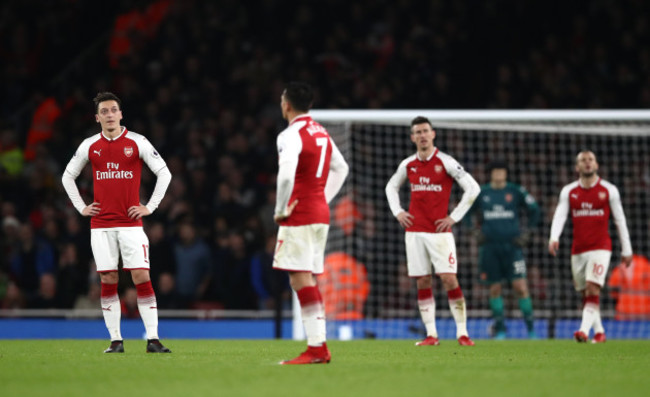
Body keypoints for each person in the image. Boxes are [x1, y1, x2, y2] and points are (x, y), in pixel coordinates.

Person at [61, 92, 173, 353]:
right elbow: (68, 176)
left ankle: (153, 340)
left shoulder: (137, 142)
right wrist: (81, 207)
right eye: (104, 111)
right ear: (97, 117)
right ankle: (115, 341)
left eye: (113, 110)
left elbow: (164, 173)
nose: (109, 115)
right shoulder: (90, 145)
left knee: (141, 275)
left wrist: (149, 207)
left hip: (131, 223)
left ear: (121, 114)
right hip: (101, 225)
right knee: (108, 279)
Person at [386, 116, 480, 346]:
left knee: (449, 279)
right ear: (412, 137)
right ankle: (431, 335)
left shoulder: (446, 162)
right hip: (415, 232)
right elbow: (391, 186)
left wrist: (453, 217)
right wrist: (398, 211)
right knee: (422, 282)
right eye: (417, 132)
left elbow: (473, 188)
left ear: (433, 134)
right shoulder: (408, 164)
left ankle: (462, 333)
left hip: (440, 233)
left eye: (425, 131)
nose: (422, 135)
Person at [273, 82, 349, 364]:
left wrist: (280, 209)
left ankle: (317, 348)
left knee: (300, 277)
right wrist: (323, 198)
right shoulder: (321, 131)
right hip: (319, 211)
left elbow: (285, 176)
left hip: (300, 212)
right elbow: (342, 168)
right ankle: (317, 346)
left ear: (287, 105)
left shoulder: (290, 135)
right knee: (305, 276)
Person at [549, 150, 633, 343]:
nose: (587, 163)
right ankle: (600, 332)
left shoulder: (609, 190)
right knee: (586, 293)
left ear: (596, 165)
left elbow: (620, 220)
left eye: (591, 160)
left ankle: (583, 331)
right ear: (577, 167)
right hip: (578, 250)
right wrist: (554, 237)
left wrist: (626, 249)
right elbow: (560, 215)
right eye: (583, 161)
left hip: (601, 248)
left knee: (592, 287)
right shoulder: (569, 191)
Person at [465, 161, 541, 339]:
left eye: (502, 172)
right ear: (491, 174)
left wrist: (528, 232)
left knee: (521, 287)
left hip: (513, 248)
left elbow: (534, 210)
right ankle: (500, 330)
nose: (499, 175)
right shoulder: (482, 193)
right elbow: (466, 212)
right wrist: (474, 232)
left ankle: (531, 331)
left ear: (506, 174)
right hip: (490, 248)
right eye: (496, 172)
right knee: (494, 289)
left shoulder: (515, 191)